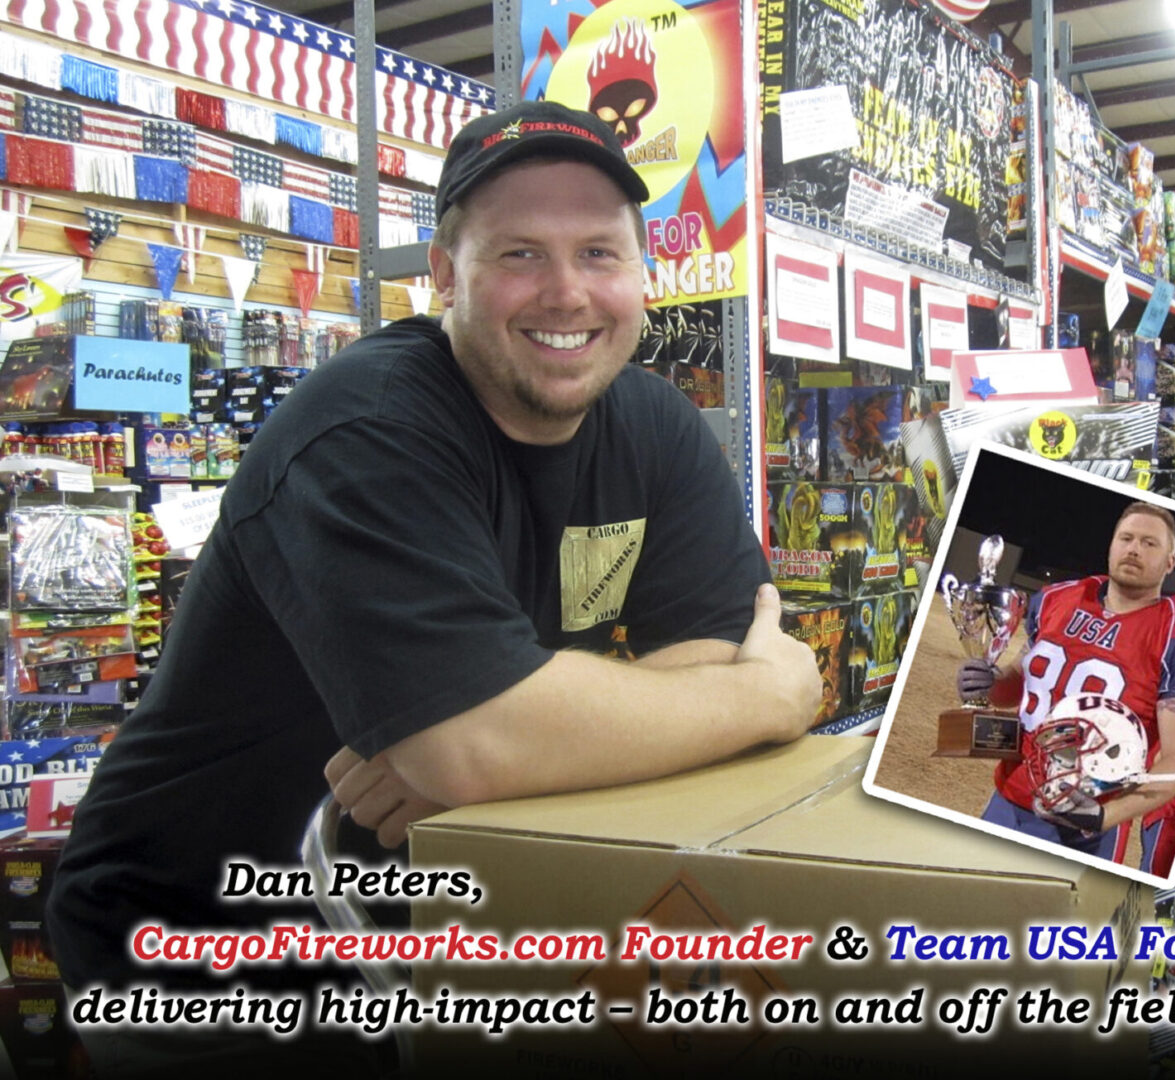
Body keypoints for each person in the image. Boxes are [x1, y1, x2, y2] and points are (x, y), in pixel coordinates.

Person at [47, 100, 821, 1074]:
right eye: (518, 256)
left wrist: (523, 741)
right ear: (445, 276)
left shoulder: (653, 425)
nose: (566, 292)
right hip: (197, 945)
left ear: (640, 276)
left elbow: (703, 647)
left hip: (419, 912)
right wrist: (761, 699)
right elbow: (480, 742)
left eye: (598, 254)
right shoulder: (363, 430)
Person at [957, 501, 1175, 872]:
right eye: (1127, 538)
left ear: (1170, 563)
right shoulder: (1059, 599)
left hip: (1086, 824)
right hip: (1010, 796)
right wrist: (988, 683)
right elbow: (1017, 685)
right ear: (1111, 546)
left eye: (1150, 544)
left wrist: (1103, 815)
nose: (1134, 549)